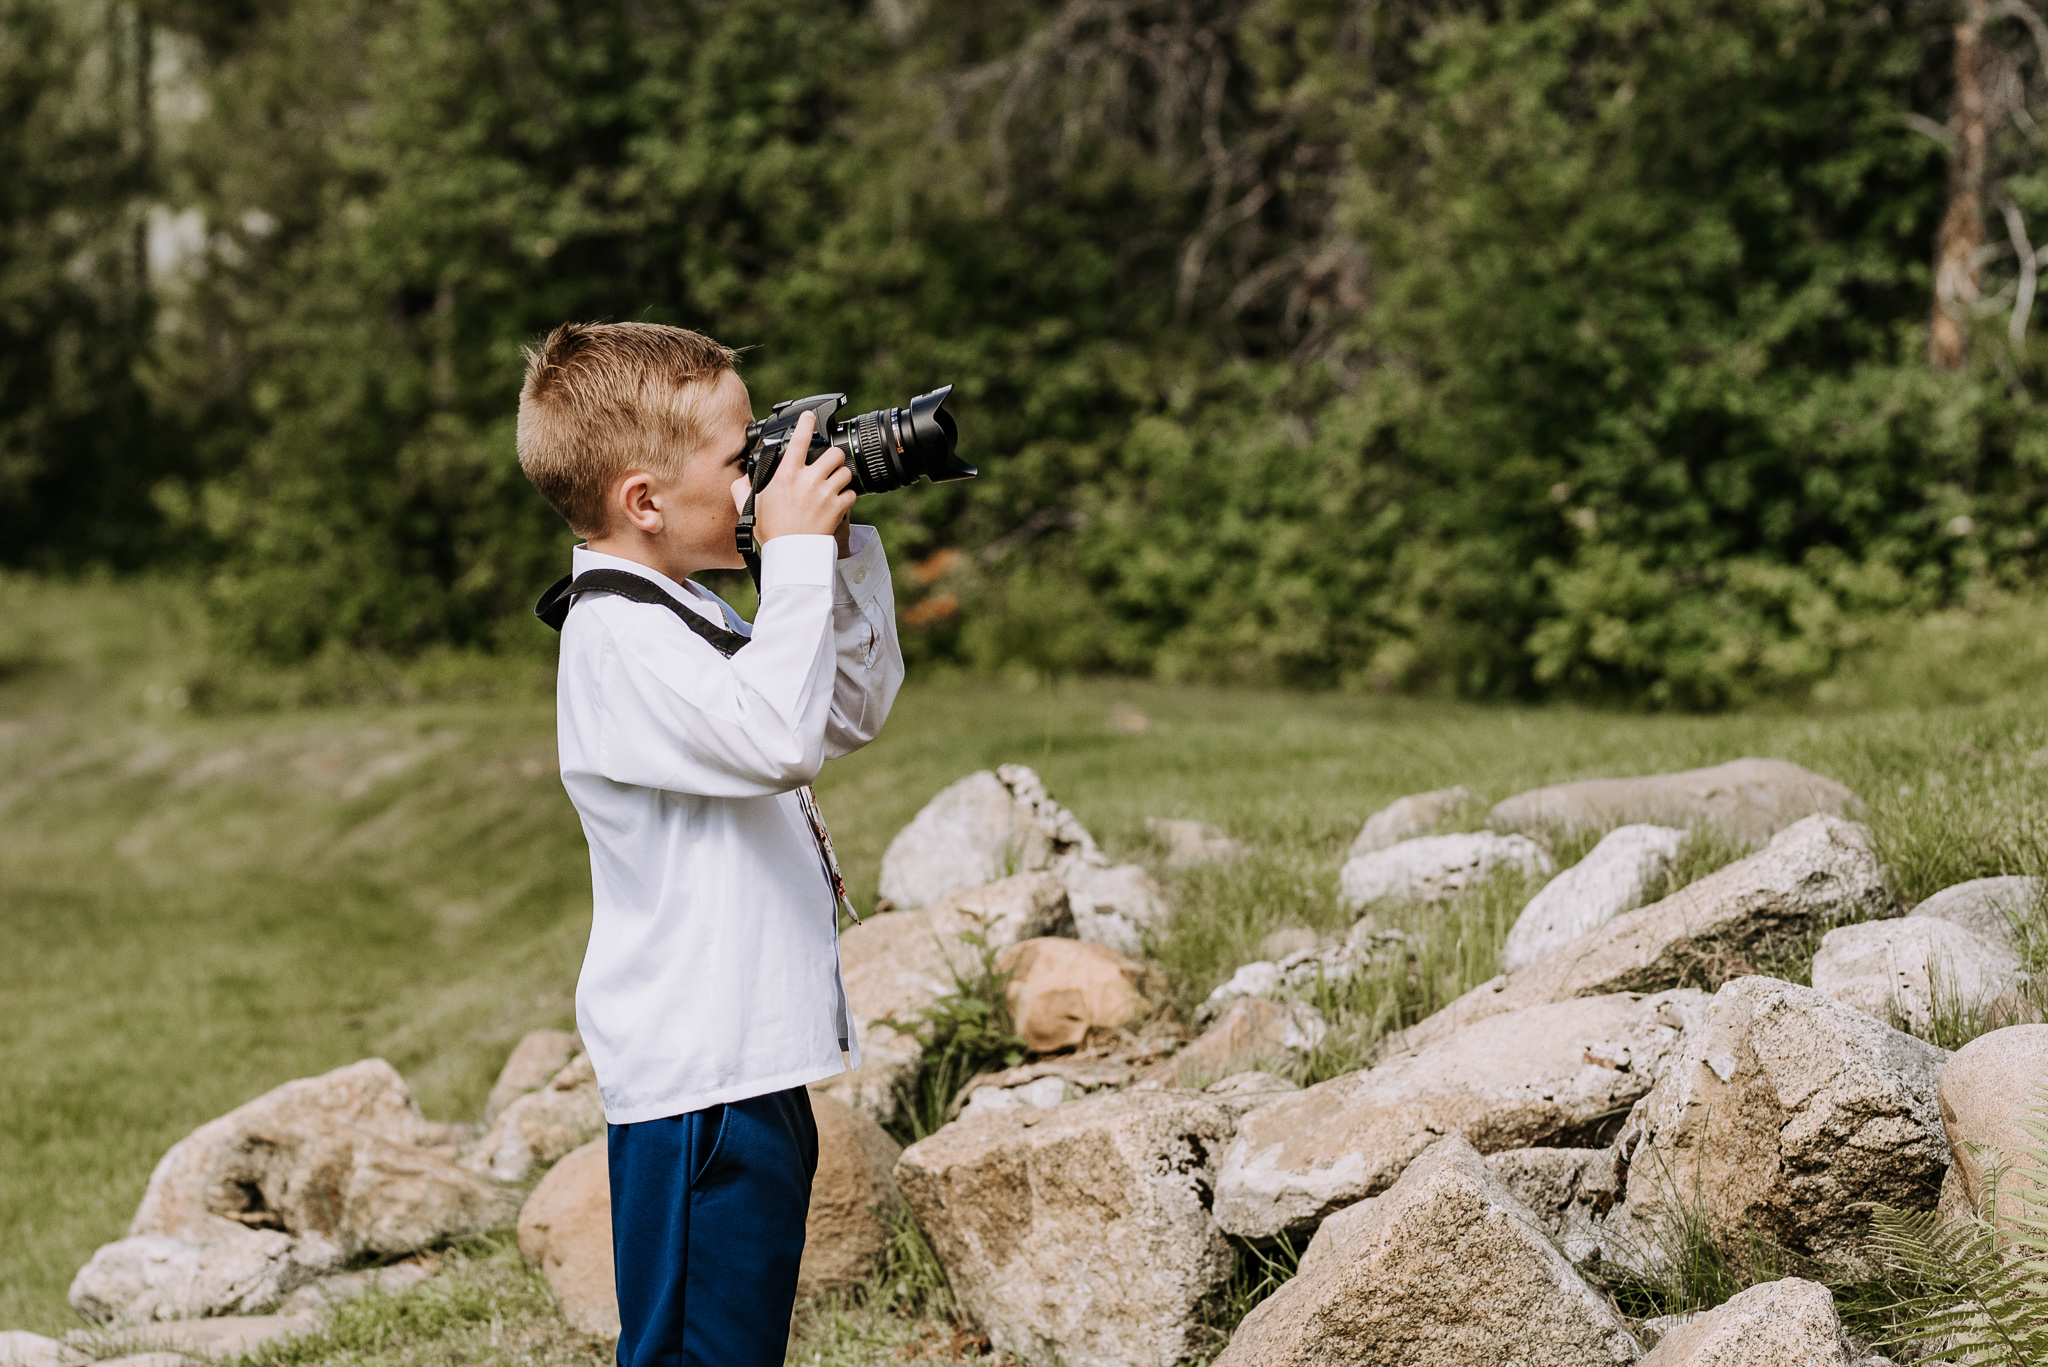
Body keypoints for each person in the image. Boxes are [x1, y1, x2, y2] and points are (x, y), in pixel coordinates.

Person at [515, 321, 903, 1367]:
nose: (765, 479)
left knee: (733, 1345)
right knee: (695, 1350)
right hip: (698, 1077)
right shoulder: (616, 637)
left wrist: (836, 550)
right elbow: (777, 738)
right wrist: (791, 555)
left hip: (749, 1061)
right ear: (643, 500)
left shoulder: (680, 607)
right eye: (744, 461)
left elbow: (840, 711)